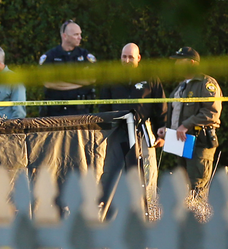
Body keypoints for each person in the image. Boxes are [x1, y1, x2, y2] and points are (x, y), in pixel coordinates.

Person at [97, 43, 166, 213]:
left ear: (139, 58)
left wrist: (163, 130)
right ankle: (108, 210)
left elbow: (161, 107)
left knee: (148, 173)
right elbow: (103, 108)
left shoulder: (151, 78)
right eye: (124, 57)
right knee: (112, 172)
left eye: (130, 57)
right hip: (117, 133)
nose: (127, 60)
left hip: (143, 132)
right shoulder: (111, 78)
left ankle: (149, 211)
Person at [158, 46, 222, 197]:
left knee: (197, 188)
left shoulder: (206, 83)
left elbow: (211, 112)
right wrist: (166, 131)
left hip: (199, 143)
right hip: (182, 143)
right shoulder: (181, 86)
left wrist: (186, 125)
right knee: (183, 188)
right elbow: (176, 113)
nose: (176, 65)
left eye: (180, 61)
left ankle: (201, 220)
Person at [38, 20, 96, 117]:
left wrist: (61, 81)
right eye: (76, 34)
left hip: (81, 113)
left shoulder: (85, 56)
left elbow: (91, 79)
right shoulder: (51, 56)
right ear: (65, 36)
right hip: (55, 114)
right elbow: (47, 82)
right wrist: (78, 82)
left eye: (80, 34)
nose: (80, 37)